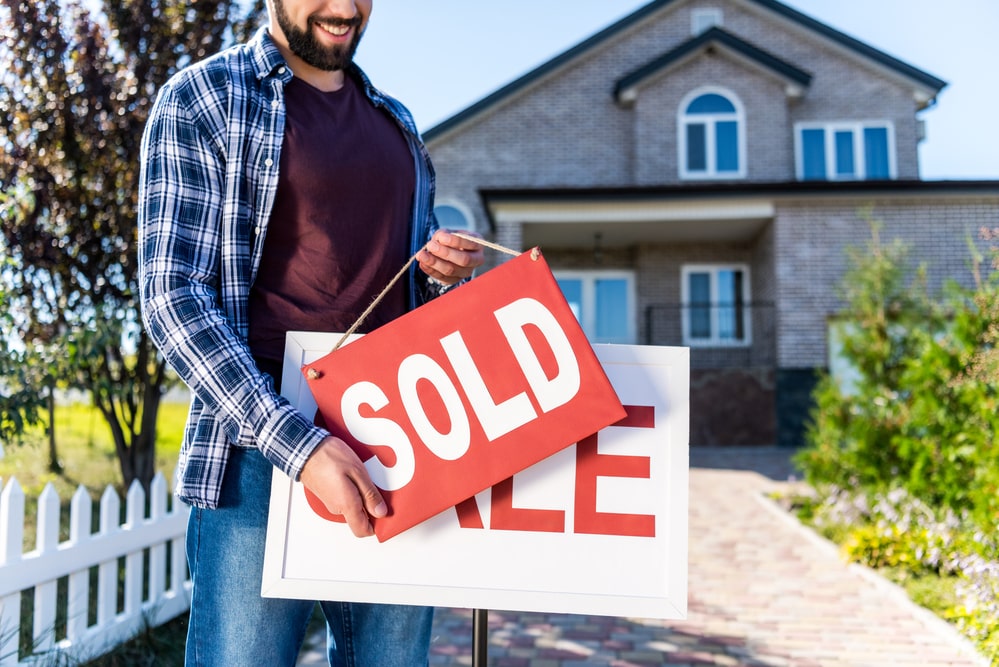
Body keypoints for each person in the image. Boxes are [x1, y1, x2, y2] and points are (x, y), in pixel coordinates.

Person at [137, 0, 484, 664]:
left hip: (399, 448)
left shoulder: (397, 123)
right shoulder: (204, 98)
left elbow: (398, 291)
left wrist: (439, 275)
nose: (346, 7)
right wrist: (300, 446)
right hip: (259, 452)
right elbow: (172, 298)